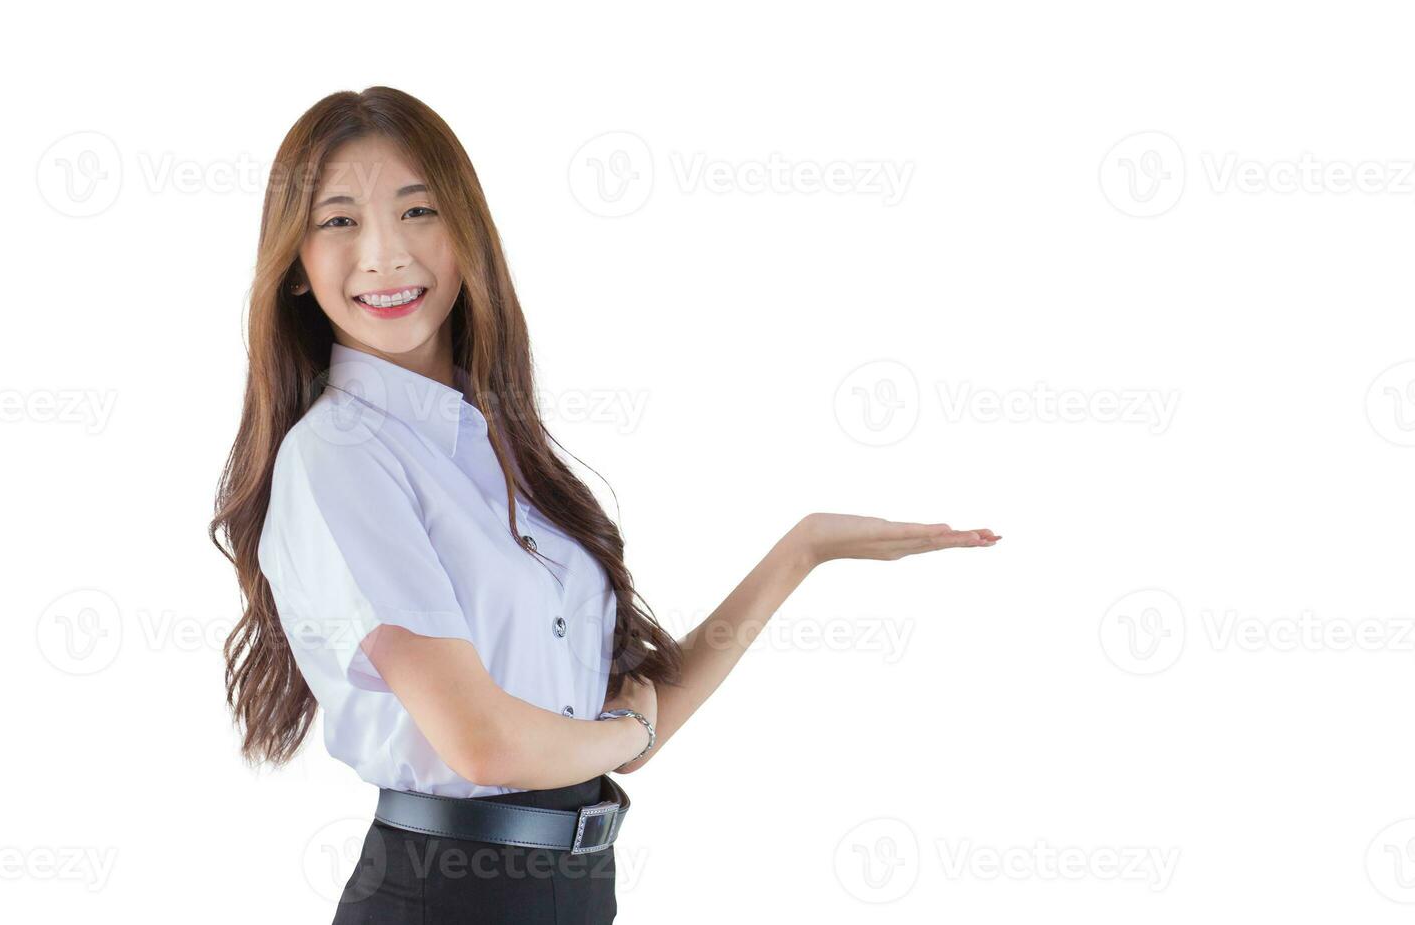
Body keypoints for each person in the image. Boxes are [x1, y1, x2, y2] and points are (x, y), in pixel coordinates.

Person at [210, 85, 1000, 923]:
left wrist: (802, 551)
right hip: (446, 895)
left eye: (419, 211)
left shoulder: (497, 449)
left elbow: (639, 701)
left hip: (577, 890)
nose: (385, 255)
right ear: (294, 266)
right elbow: (484, 743)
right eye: (339, 222)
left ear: (467, 232)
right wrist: (631, 737)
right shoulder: (341, 455)